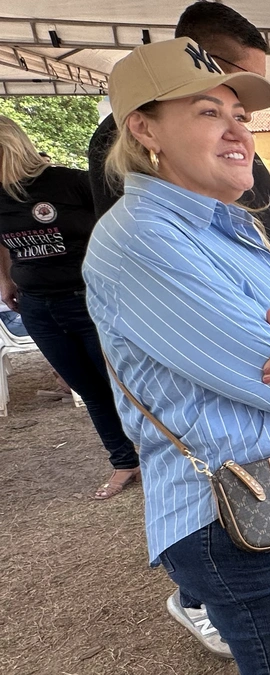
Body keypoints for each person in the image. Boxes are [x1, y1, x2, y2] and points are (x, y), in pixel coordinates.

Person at [88, 38, 270, 674]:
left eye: (241, 115)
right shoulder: (140, 238)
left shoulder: (232, 225)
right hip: (238, 511)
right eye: (209, 112)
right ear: (144, 127)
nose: (238, 130)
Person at [85, 2, 270, 279]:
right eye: (241, 76)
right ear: (201, 61)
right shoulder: (122, 139)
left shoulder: (226, 133)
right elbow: (154, 255)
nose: (246, 115)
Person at [0, 115, 141, 498]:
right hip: (38, 308)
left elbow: (122, 224)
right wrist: (7, 279)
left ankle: (167, 457)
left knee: (127, 386)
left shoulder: (70, 183)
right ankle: (124, 462)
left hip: (90, 301)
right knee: (89, 389)